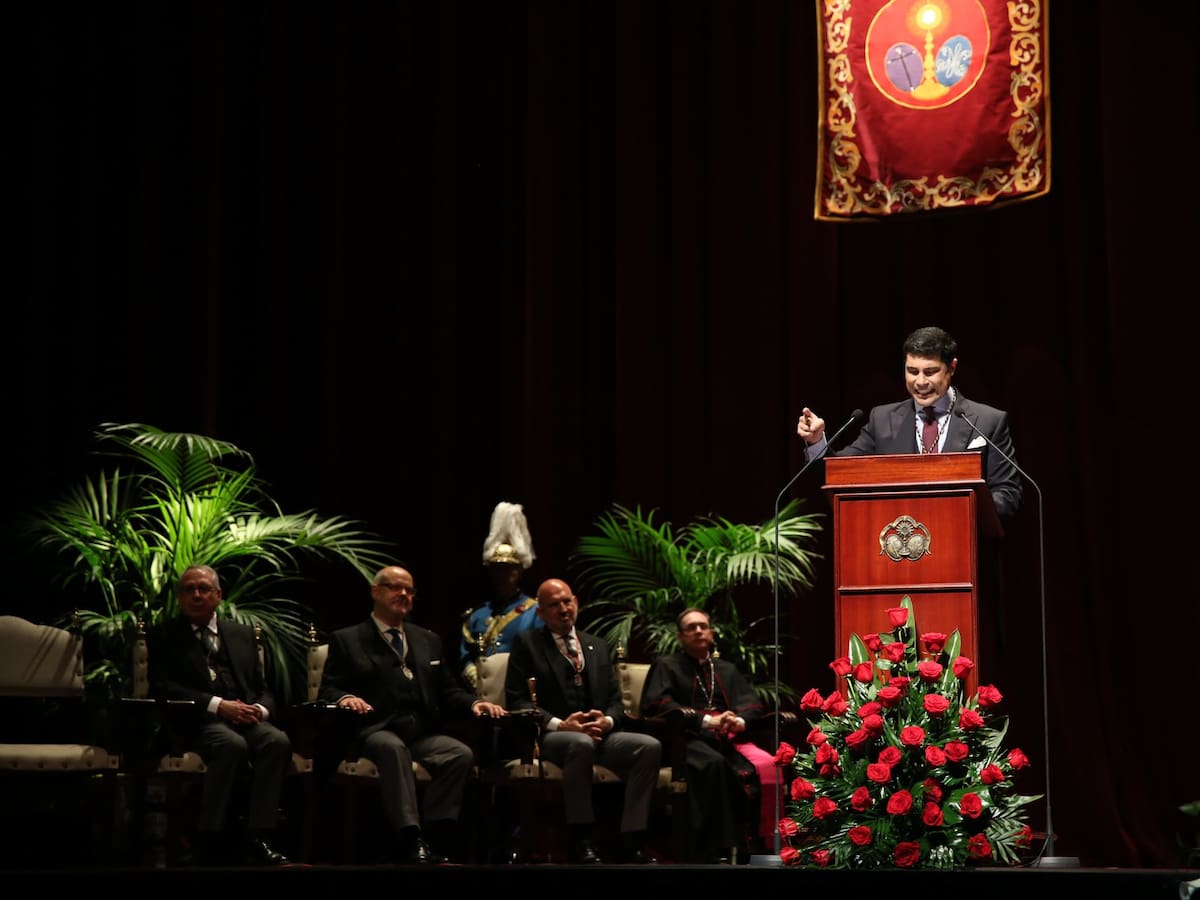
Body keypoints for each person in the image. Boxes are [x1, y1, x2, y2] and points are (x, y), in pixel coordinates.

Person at [318, 564, 506, 864]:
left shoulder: (426, 639)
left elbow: (448, 689)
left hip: (420, 731)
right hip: (374, 729)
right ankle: (409, 836)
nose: (403, 594)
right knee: (392, 749)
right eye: (395, 587)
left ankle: (434, 835)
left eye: (409, 590)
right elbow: (329, 689)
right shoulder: (348, 639)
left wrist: (474, 704)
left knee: (459, 754)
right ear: (375, 592)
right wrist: (347, 698)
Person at [795, 324, 1022, 523]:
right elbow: (839, 474)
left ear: (951, 368)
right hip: (897, 558)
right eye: (912, 371)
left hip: (965, 553)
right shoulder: (882, 420)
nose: (920, 382)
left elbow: (1008, 495)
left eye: (930, 372)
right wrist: (816, 442)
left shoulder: (987, 421)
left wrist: (960, 507)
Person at [504, 578, 661, 864]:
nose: (563, 609)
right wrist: (560, 724)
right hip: (554, 736)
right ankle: (581, 838)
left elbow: (615, 700)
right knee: (580, 743)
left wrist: (608, 721)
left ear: (576, 603)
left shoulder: (596, 645)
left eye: (567, 602)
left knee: (648, 746)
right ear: (540, 613)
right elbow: (517, 700)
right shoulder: (528, 644)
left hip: (599, 735)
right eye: (554, 605)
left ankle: (632, 837)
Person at [147, 564, 293, 866]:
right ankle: (209, 837)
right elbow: (162, 687)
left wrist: (260, 710)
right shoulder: (164, 635)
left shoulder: (240, 635)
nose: (196, 595)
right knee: (231, 745)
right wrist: (217, 704)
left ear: (218, 595)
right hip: (196, 719)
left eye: (203, 589)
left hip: (243, 716)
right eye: (189, 590)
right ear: (180, 597)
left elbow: (262, 687)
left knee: (276, 741)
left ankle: (258, 836)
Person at [639, 607, 779, 864]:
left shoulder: (725, 669)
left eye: (703, 626)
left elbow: (752, 704)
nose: (699, 631)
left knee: (767, 766)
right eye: (691, 628)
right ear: (680, 637)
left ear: (712, 633)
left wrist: (737, 720)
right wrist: (706, 721)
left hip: (727, 740)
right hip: (686, 739)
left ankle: (760, 847)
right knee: (714, 765)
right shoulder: (667, 665)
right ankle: (716, 849)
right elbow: (657, 704)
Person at [460, 501, 543, 690]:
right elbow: (466, 655)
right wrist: (479, 680)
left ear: (520, 571)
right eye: (498, 569)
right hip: (482, 694)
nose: (503, 575)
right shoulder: (476, 615)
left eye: (509, 570)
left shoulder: (535, 613)